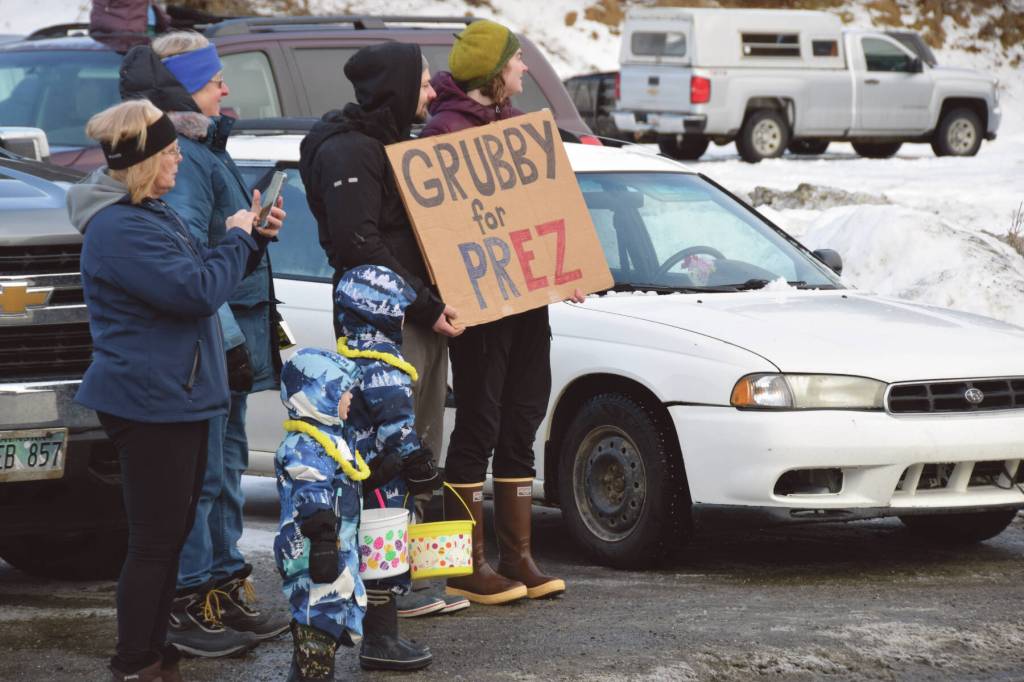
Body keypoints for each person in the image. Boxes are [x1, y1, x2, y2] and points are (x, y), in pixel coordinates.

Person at [66, 98, 271, 682]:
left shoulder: (149, 213)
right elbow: (196, 291)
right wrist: (235, 239)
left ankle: (156, 650)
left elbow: (198, 274)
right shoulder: (121, 228)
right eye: (171, 151)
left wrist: (251, 239)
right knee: (156, 542)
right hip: (150, 402)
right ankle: (135, 661)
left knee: (171, 534)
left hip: (176, 397)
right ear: (142, 161)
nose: (180, 159)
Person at [120, 32, 289, 655]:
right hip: (210, 346)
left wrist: (255, 236)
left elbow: (218, 246)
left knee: (226, 467)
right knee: (209, 475)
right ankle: (192, 599)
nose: (226, 87)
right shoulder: (181, 159)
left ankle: (221, 585)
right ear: (184, 86)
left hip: (227, 342)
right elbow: (187, 261)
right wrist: (228, 341)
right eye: (214, 77)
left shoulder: (203, 145)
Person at [298, 42, 466, 617]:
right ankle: (391, 588)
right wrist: (423, 305)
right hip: (386, 327)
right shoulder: (350, 153)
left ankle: (417, 580)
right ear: (395, 86)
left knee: (421, 445)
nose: (432, 93)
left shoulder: (393, 145)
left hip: (418, 316)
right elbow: (359, 247)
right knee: (391, 454)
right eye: (422, 83)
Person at [420, 19, 577, 605]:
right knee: (479, 422)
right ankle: (465, 564)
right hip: (479, 305)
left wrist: (566, 268)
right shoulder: (444, 133)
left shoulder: (515, 129)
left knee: (524, 416)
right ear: (493, 72)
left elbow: (538, 215)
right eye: (516, 62)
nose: (523, 70)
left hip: (527, 301)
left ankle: (519, 557)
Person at [335, 264, 444, 671]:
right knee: (384, 555)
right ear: (378, 311)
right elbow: (398, 428)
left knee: (365, 547)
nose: (402, 317)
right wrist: (422, 466)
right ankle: (381, 640)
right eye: (397, 308)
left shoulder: (348, 356)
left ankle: (374, 633)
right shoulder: (385, 367)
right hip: (385, 477)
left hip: (357, 475)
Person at [274, 348, 367, 681]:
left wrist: (382, 472)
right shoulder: (304, 444)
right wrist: (324, 536)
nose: (350, 398)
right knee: (317, 617)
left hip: (335, 546)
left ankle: (304, 673)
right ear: (318, 395)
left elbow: (347, 479)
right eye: (342, 391)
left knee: (332, 615)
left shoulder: (333, 438)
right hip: (312, 549)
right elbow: (310, 489)